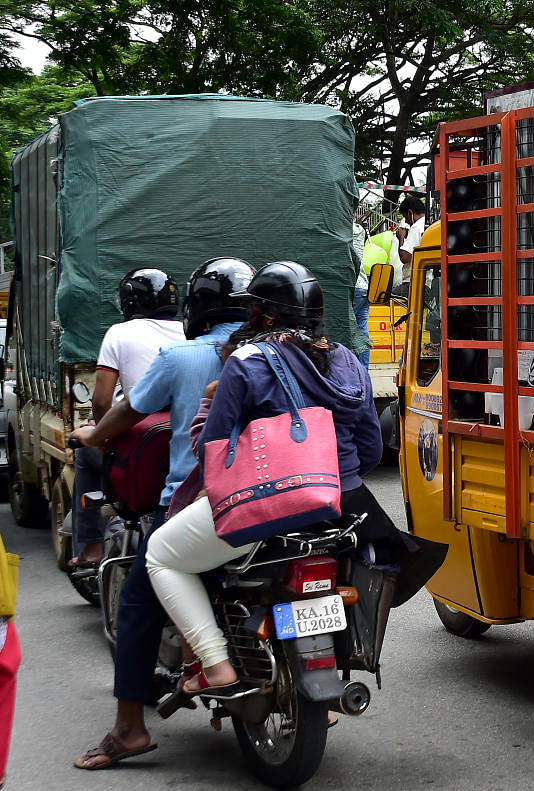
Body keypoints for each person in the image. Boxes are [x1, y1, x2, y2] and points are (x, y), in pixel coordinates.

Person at [144, 260, 396, 695]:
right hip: (344, 506)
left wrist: (206, 406)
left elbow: (214, 451)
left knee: (161, 556)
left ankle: (215, 663)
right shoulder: (350, 362)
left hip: (270, 503)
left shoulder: (246, 362)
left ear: (265, 315)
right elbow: (371, 448)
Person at [71, 257, 256, 771]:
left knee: (137, 605)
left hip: (195, 503)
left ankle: (129, 728)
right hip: (282, 497)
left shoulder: (180, 357)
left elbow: (123, 411)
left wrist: (93, 435)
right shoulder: (277, 353)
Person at [71, 268, 185, 567]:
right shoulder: (190, 332)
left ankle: (92, 547)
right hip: (185, 441)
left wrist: (103, 437)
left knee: (84, 456)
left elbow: (101, 399)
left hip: (139, 444)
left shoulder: (119, 333)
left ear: (129, 302)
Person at [351, 218, 371, 368]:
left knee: (346, 329)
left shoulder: (344, 230)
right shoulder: (360, 230)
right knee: (362, 331)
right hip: (364, 286)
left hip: (353, 286)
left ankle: (349, 371)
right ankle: (363, 371)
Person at [394, 193, 427, 287]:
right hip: (426, 280)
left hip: (412, 282)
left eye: (405, 217)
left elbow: (405, 258)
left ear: (410, 213)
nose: (406, 221)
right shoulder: (428, 224)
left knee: (386, 299)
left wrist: (401, 238)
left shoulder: (416, 227)